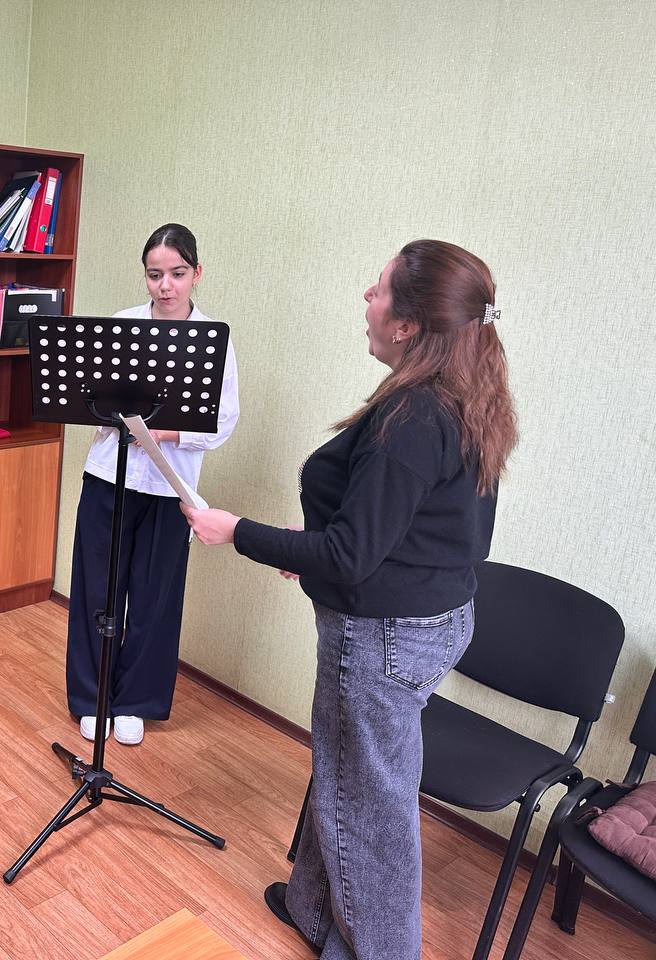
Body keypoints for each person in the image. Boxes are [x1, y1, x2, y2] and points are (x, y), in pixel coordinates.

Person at [183, 239, 517, 959]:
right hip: (430, 621)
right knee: (346, 776)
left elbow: (351, 553)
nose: (367, 297)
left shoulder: (415, 418)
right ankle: (313, 909)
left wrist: (236, 531)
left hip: (384, 637)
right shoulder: (467, 396)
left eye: (379, 288)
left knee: (370, 811)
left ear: (407, 324)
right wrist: (322, 552)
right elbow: (415, 531)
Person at [67, 223, 239, 746]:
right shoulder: (122, 325)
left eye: (177, 274)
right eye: (155, 274)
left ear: (196, 274)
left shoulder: (213, 339)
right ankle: (92, 698)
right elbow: (90, 398)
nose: (165, 286)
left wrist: (166, 433)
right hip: (108, 478)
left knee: (154, 598)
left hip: (169, 488)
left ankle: (135, 701)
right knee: (97, 590)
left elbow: (223, 420)